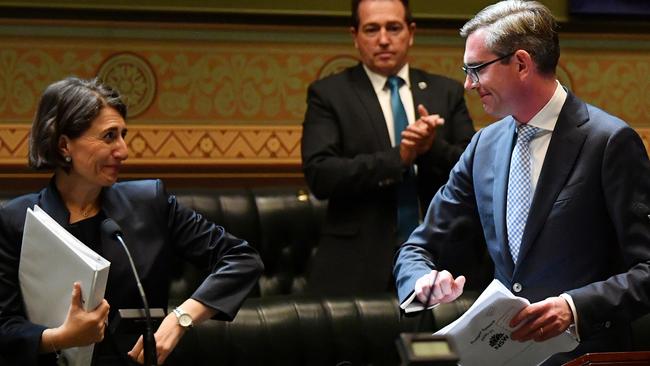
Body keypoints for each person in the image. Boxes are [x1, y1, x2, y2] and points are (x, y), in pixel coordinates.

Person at [393, 1, 650, 364]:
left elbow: (646, 270)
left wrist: (574, 308)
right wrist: (422, 280)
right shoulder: (484, 146)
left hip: (583, 356)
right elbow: (418, 247)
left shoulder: (608, 142)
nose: (468, 84)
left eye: (476, 69)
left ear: (521, 63)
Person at [0, 77, 264, 365]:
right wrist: (60, 338)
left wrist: (181, 318)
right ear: (65, 145)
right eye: (109, 136)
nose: (124, 151)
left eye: (123, 135)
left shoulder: (150, 201)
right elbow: (4, 327)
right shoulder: (18, 220)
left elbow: (242, 258)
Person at [302, 0, 475, 296]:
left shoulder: (445, 92)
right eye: (372, 29)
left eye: (393, 28)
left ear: (411, 32)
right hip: (356, 262)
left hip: (441, 259)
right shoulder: (330, 94)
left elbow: (474, 170)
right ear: (355, 35)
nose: (383, 39)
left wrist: (431, 148)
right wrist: (399, 157)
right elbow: (321, 175)